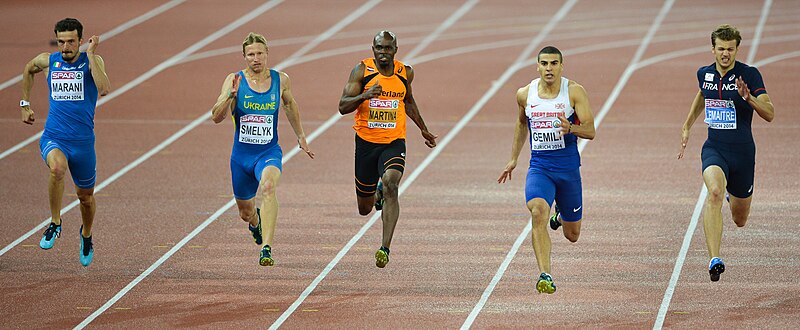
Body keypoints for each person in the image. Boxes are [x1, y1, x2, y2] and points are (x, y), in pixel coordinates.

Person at [678, 24, 774, 282]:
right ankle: (714, 258)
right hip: (715, 149)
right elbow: (702, 94)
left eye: (730, 49)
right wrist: (687, 125)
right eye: (720, 49)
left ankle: (736, 197)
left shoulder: (749, 75)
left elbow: (770, 113)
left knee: (740, 220)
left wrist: (749, 98)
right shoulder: (704, 73)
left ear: (736, 50)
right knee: (715, 192)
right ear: (713, 49)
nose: (725, 54)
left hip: (743, 154)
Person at [498, 46, 595, 293]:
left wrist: (571, 129)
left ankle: (561, 216)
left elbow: (591, 130)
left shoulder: (574, 92)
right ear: (537, 66)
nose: (549, 68)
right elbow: (521, 124)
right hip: (540, 167)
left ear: (562, 66)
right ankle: (545, 274)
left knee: (572, 235)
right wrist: (513, 159)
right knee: (538, 211)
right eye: (544, 63)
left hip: (569, 169)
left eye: (554, 63)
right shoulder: (525, 94)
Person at [211, 32, 314, 266]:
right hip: (241, 157)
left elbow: (290, 105)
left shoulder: (281, 80)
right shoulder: (234, 80)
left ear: (267, 54)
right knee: (245, 212)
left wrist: (301, 136)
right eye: (250, 55)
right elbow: (216, 116)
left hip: (268, 153)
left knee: (268, 187)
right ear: (244, 57)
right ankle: (256, 224)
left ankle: (266, 248)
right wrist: (229, 97)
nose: (255, 58)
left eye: (259, 53)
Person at [338, 31, 437, 268]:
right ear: (373, 49)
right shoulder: (361, 71)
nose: (384, 52)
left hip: (393, 142)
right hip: (366, 143)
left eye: (388, 48)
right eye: (379, 48)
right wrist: (366, 95)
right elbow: (342, 106)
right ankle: (376, 191)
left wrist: (423, 128)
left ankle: (385, 248)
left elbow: (408, 101)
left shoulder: (405, 73)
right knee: (365, 208)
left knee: (393, 184)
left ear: (396, 49)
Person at [20, 18, 110, 267]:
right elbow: (28, 68)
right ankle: (56, 222)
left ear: (80, 40)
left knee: (86, 198)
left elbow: (103, 88)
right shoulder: (49, 61)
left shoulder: (91, 61)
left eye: (71, 41)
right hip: (54, 136)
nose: (66, 46)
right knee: (57, 168)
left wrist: (91, 55)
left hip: (82, 143)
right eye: (61, 41)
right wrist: (24, 104)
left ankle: (86, 234)